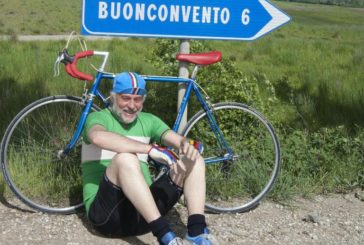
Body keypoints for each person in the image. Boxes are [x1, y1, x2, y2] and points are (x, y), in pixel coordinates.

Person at [81, 72, 217, 245]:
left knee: (194, 159)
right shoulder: (98, 118)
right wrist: (150, 149)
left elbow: (179, 140)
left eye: (137, 99)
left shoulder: (149, 120)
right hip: (107, 218)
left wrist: (189, 145)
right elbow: (98, 137)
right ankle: (165, 237)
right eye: (125, 98)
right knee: (126, 158)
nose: (131, 105)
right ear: (113, 97)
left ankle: (196, 232)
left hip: (145, 216)